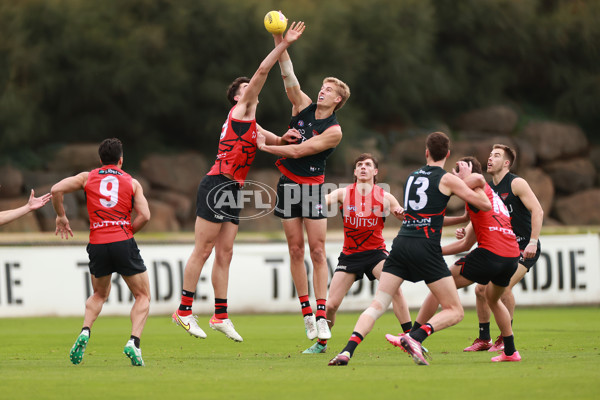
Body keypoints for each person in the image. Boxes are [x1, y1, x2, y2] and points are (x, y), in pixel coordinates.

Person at [172, 22, 306, 342]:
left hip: (232, 190)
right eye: (243, 88)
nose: (250, 89)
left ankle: (220, 315)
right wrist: (283, 44)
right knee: (203, 250)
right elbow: (261, 71)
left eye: (249, 87)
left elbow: (268, 138)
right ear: (236, 98)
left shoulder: (252, 123)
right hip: (218, 183)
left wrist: (285, 139)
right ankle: (184, 310)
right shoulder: (242, 110)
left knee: (225, 253)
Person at [328, 132, 491, 366]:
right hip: (426, 246)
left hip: (401, 243)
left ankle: (347, 351)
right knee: (455, 310)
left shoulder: (413, 177)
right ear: (447, 154)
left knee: (378, 304)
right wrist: (479, 183)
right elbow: (484, 205)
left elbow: (423, 214)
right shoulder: (447, 179)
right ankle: (415, 336)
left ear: (426, 152)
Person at [256, 32, 350, 341]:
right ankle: (307, 314)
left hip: (310, 188)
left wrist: (267, 147)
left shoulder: (333, 130)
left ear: (338, 100)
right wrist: (280, 41)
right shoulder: (304, 106)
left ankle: (322, 315)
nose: (322, 92)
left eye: (329, 90)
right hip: (288, 185)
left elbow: (297, 151)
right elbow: (288, 75)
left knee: (318, 251)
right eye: (322, 87)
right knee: (295, 250)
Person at [396, 156, 522, 362]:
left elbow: (479, 179)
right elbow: (465, 245)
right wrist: (437, 251)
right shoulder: (480, 198)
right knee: (493, 299)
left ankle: (413, 336)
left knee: (441, 284)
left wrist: (452, 183)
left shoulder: (476, 186)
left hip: (491, 253)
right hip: (510, 256)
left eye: (460, 168)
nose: (454, 172)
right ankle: (510, 351)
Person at [52, 138, 151, 367]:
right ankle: (133, 342)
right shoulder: (132, 182)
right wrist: (127, 232)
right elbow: (145, 215)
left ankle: (85, 331)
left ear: (100, 160)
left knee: (98, 295)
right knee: (142, 296)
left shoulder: (88, 177)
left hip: (97, 243)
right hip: (123, 241)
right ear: (121, 160)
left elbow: (56, 189)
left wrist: (61, 216)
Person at [302, 153, 411, 354]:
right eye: (359, 165)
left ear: (375, 171)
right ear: (354, 172)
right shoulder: (343, 193)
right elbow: (325, 200)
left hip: (376, 254)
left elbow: (399, 211)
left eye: (368, 165)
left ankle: (412, 338)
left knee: (395, 290)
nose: (363, 167)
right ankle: (322, 344)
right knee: (331, 305)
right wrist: (309, 201)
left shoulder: (384, 196)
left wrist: (401, 213)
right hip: (350, 255)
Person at [461, 144, 543, 352]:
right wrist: (466, 228)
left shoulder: (516, 183)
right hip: (502, 248)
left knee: (502, 288)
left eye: (496, 156)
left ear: (506, 163)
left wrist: (533, 241)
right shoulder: (488, 188)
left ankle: (505, 339)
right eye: (489, 155)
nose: (490, 159)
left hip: (524, 246)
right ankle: (484, 339)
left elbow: (538, 211)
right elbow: (484, 212)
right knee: (480, 290)